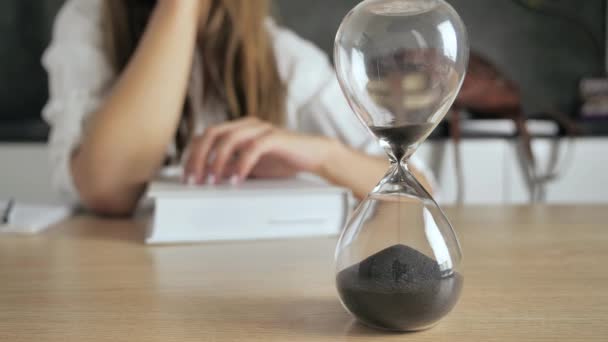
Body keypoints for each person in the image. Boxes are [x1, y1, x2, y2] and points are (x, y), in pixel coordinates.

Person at [42, 0, 434, 216]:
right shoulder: (89, 20)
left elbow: (420, 188)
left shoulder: (280, 56)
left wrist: (321, 155)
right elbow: (108, 186)